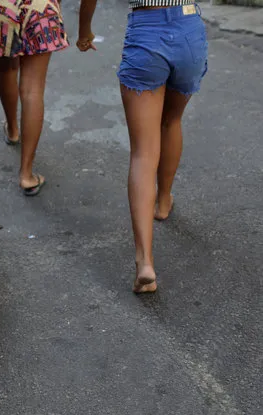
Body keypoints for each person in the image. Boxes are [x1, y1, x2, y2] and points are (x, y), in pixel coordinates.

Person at [78, 1, 208, 293]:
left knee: (143, 152)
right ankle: (163, 201)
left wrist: (84, 30)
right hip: (189, 28)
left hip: (146, 32)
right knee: (171, 122)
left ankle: (145, 262)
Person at [0, 0, 69, 196]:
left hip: (3, 8)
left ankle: (12, 130)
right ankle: (26, 174)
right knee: (33, 90)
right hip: (41, 9)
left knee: (8, 69)